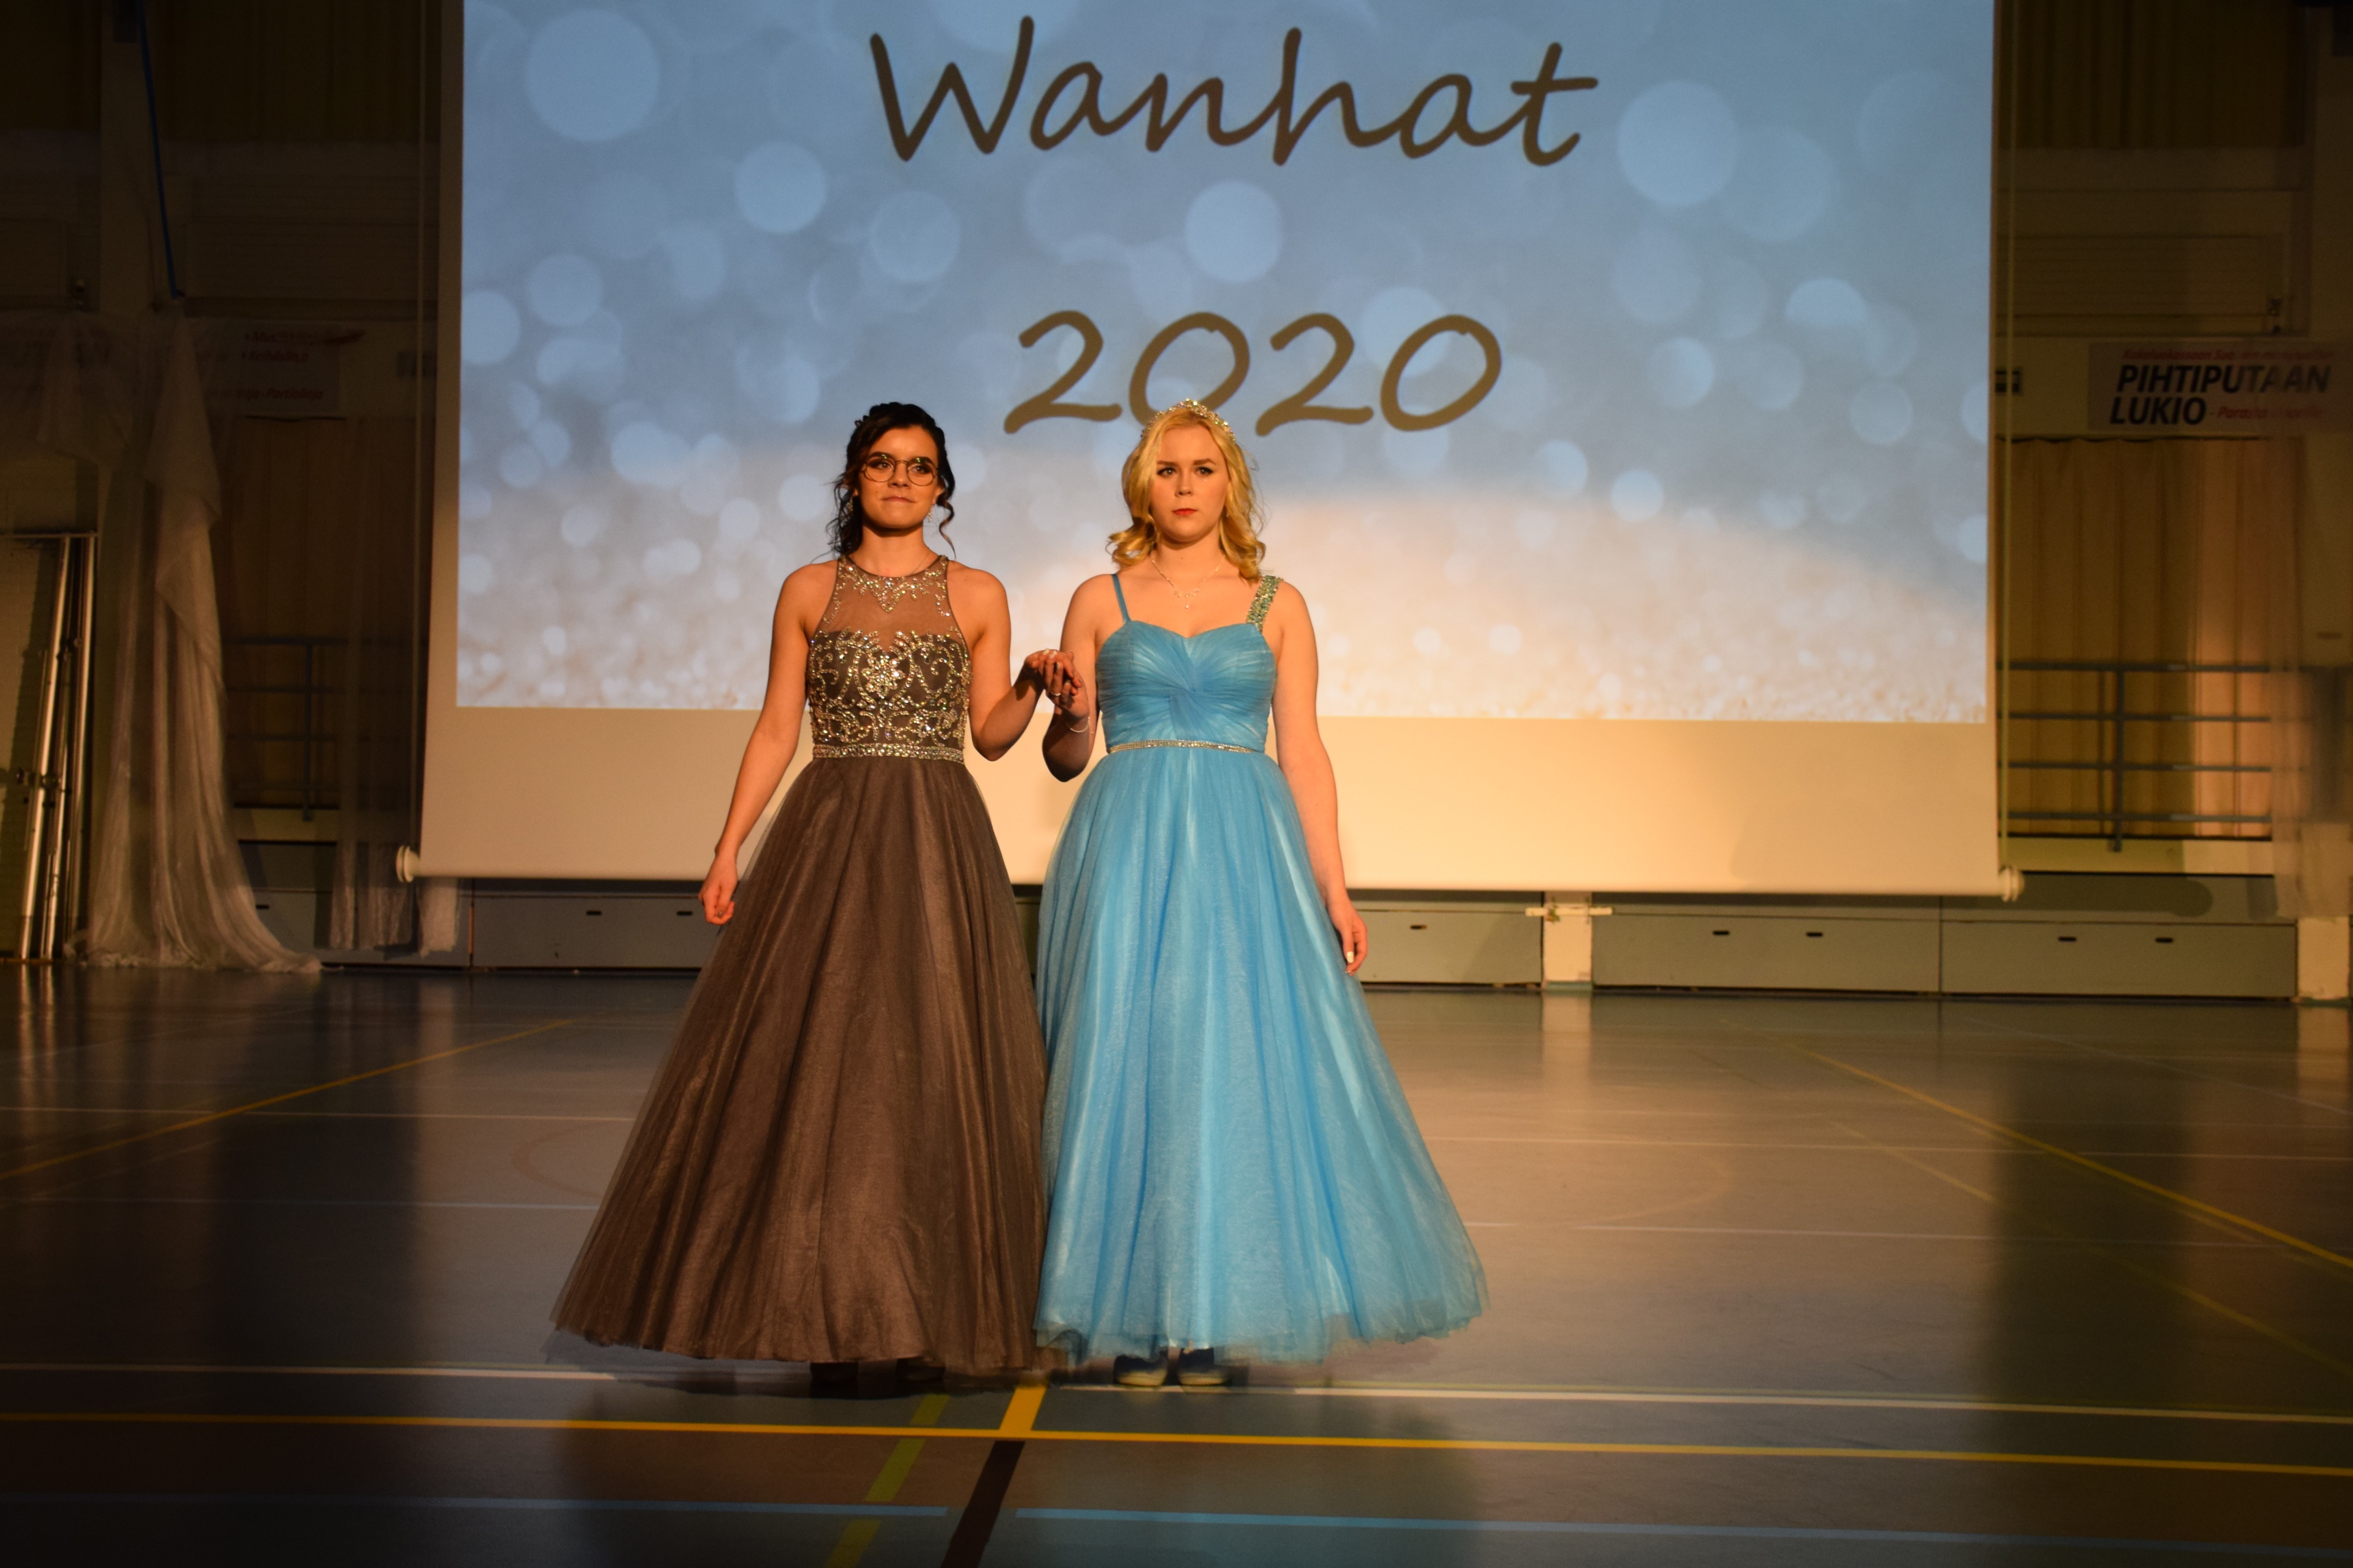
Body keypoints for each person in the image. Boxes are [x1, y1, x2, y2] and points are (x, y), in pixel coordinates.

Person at [553, 402, 1055, 1383]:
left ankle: (920, 1314)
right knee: (821, 1067)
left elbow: (990, 736)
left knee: (927, 1067)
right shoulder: (808, 590)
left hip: (935, 839)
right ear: (853, 478)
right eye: (883, 462)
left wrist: (1033, 687)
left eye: (919, 466)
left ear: (942, 486)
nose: (901, 479)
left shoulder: (979, 594)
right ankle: (822, 1313)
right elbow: (779, 728)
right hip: (828, 840)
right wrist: (728, 847)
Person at [1027, 399, 1488, 1388]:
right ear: (1141, 485)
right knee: (1128, 1058)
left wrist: (1334, 888)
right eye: (1166, 469)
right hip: (1127, 839)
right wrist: (1064, 714)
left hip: (1244, 846)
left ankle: (1212, 1315)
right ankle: (1138, 1315)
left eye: (1202, 469)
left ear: (1229, 484)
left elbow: (1304, 751)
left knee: (1229, 1062)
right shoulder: (1098, 597)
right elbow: (1069, 755)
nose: (1184, 486)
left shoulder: (1277, 602)